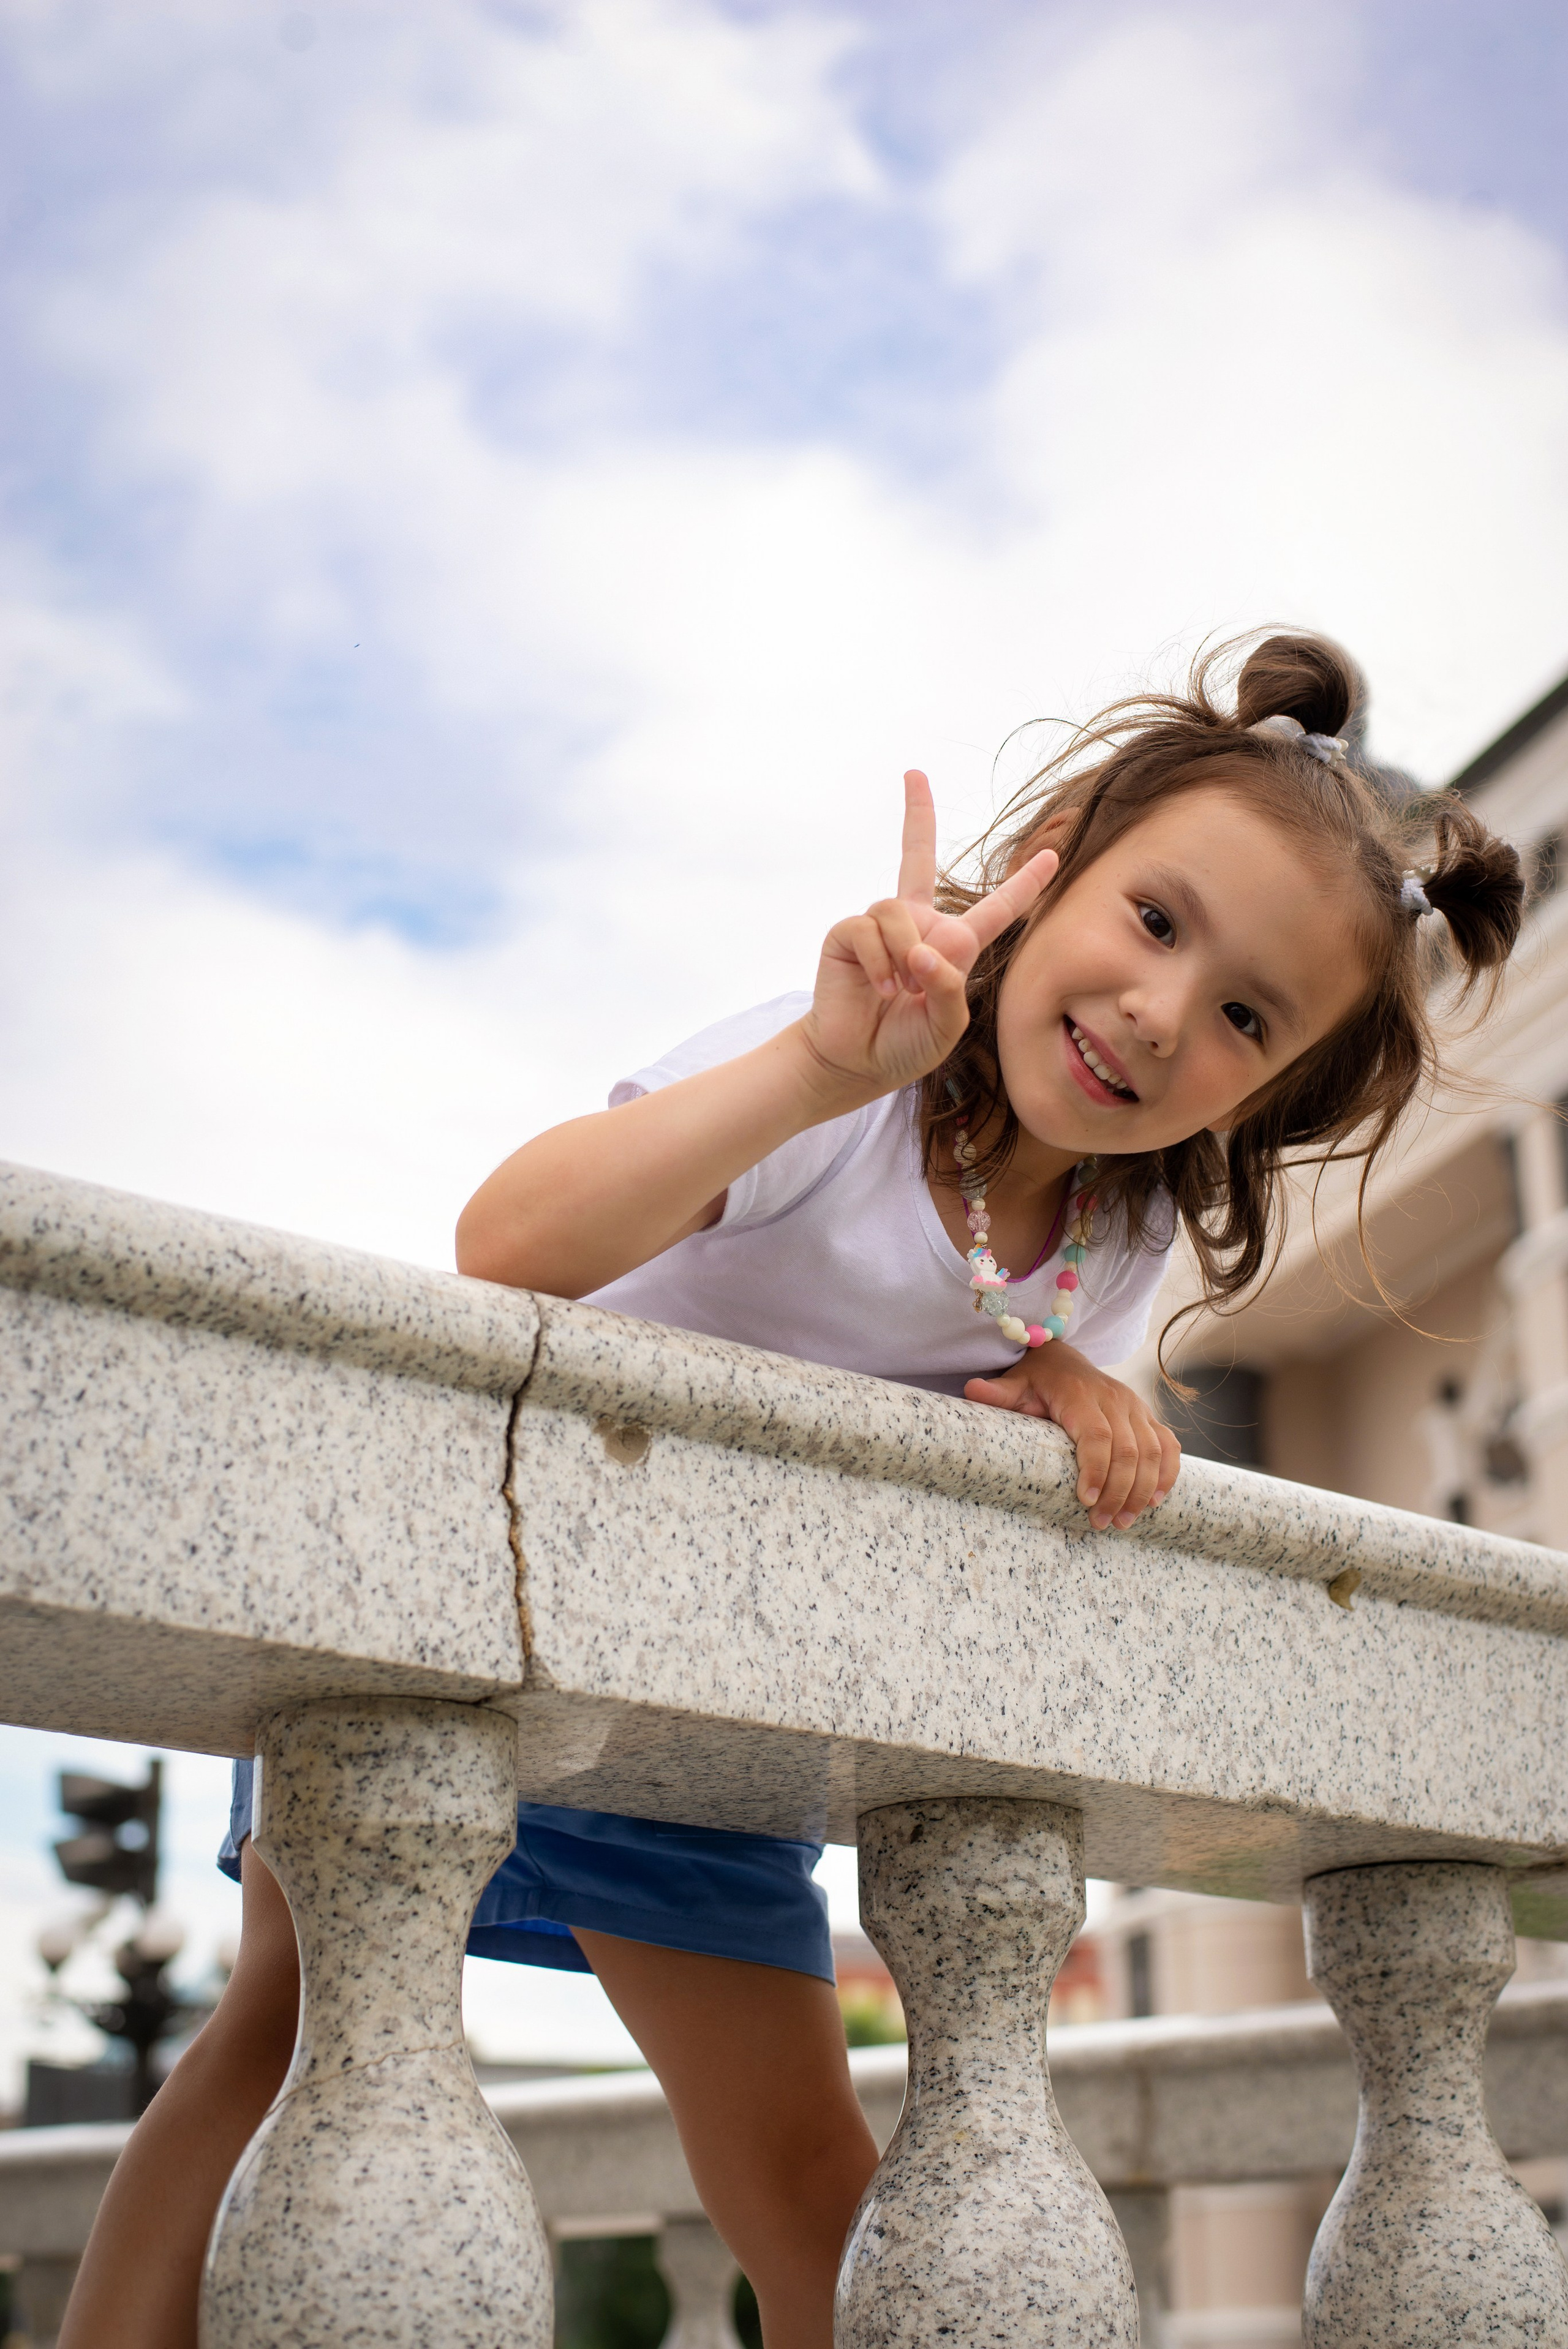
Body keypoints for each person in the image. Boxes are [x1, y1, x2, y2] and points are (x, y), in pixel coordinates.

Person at [61, 632, 1524, 2349]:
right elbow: (507, 1244)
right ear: (1054, 861)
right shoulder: (854, 1066)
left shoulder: (1122, 1237)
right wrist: (821, 1069)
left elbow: (986, 1395)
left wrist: (1081, 1395)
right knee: (274, 2047)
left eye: (1244, 1017)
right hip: (479, 1619)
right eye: (1154, 919)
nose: (1160, 1011)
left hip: (703, 1733)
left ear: (1269, 1093)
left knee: (810, 2177)